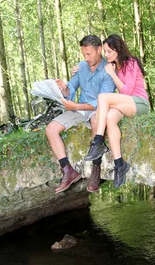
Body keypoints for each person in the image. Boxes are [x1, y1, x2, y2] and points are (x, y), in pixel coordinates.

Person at [45, 35, 115, 194]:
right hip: (79, 109)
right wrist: (63, 88)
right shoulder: (81, 67)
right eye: (84, 54)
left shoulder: (108, 70)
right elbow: (70, 91)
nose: (86, 58)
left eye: (89, 54)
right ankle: (68, 171)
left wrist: (76, 105)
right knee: (51, 129)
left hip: (96, 109)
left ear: (99, 50)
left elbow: (102, 102)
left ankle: (95, 169)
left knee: (97, 119)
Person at [84, 34, 150, 188]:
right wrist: (78, 68)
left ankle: (98, 141)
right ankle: (120, 164)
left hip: (139, 103)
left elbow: (127, 91)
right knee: (110, 117)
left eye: (108, 51)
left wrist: (112, 74)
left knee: (103, 98)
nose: (106, 55)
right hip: (126, 103)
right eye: (105, 52)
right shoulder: (115, 65)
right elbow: (95, 69)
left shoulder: (131, 63)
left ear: (117, 50)